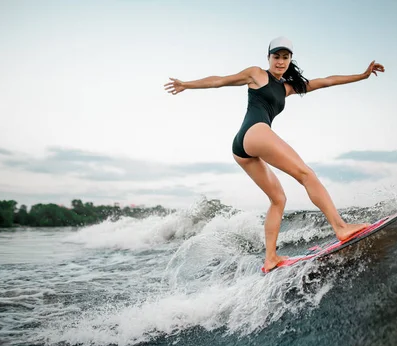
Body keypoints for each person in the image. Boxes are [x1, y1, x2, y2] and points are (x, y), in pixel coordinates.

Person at [164, 36, 385, 272]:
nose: (280, 61)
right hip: (254, 132)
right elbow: (220, 80)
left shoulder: (287, 88)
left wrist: (361, 76)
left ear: (290, 60)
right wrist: (186, 84)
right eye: (276, 56)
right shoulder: (256, 74)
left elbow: (326, 81)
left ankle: (270, 258)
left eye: (285, 57)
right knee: (306, 174)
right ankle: (340, 227)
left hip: (242, 148)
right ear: (268, 57)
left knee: (278, 199)